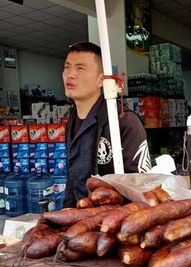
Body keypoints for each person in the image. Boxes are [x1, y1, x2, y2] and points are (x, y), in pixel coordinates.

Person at [62, 42, 151, 208]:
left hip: (113, 222)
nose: (71, 74)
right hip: (80, 219)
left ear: (101, 80)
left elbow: (141, 186)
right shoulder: (71, 119)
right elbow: (72, 176)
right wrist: (67, 209)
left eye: (80, 68)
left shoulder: (124, 121)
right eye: (67, 67)